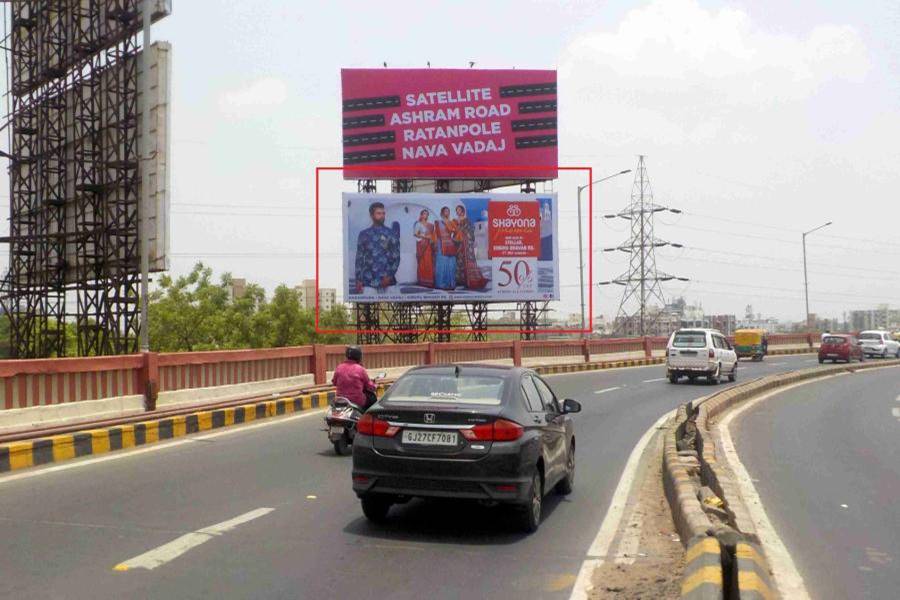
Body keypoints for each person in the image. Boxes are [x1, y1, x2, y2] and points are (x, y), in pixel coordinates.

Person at [354, 202, 400, 294]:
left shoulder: (391, 234)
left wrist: (389, 276)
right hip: (368, 282)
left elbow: (396, 257)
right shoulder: (364, 234)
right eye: (379, 213)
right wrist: (358, 279)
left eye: (383, 213)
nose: (382, 216)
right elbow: (359, 258)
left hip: (388, 282)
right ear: (371, 215)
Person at [331, 346, 377, 410]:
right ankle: (366, 416)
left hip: (340, 400)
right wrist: (375, 385)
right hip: (356, 401)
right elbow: (370, 386)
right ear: (359, 356)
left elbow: (334, 382)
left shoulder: (339, 367)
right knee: (372, 398)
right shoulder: (360, 369)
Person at [454, 205, 487, 290]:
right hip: (458, 243)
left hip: (466, 242)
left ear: (462, 211)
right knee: (459, 260)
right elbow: (454, 231)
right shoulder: (455, 220)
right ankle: (460, 280)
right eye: (457, 210)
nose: (458, 211)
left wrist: (463, 233)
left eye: (459, 210)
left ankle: (469, 280)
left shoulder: (466, 220)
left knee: (467, 259)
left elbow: (471, 230)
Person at [433, 206, 459, 290]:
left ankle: (451, 284)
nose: (447, 213)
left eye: (448, 211)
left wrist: (454, 239)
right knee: (442, 264)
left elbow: (457, 232)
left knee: (451, 264)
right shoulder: (438, 223)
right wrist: (435, 244)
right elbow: (435, 234)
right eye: (445, 211)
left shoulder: (452, 222)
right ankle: (441, 284)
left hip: (450, 244)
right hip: (441, 244)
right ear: (442, 213)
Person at [413, 209, 435, 287]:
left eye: (427, 214)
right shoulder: (418, 224)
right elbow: (415, 234)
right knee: (422, 261)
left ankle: (429, 280)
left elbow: (433, 235)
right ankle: (422, 280)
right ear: (421, 215)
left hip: (428, 244)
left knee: (429, 261)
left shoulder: (430, 225)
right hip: (421, 244)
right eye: (424, 214)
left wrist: (431, 238)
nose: (426, 215)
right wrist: (425, 236)